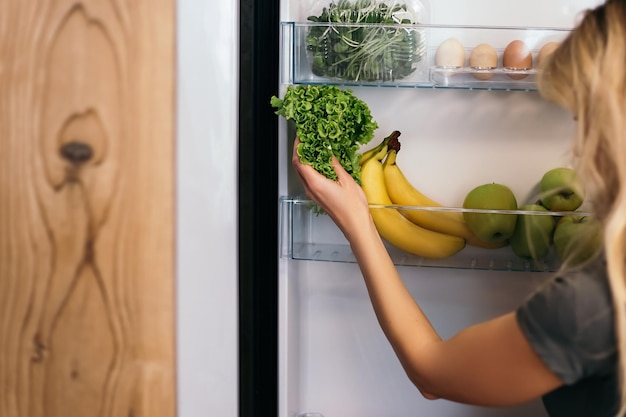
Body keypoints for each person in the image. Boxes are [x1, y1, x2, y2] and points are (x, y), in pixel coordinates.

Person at [291, 1, 626, 416]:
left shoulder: (593, 304)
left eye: (582, 121)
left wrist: (359, 221)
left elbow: (432, 372)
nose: (579, 147)